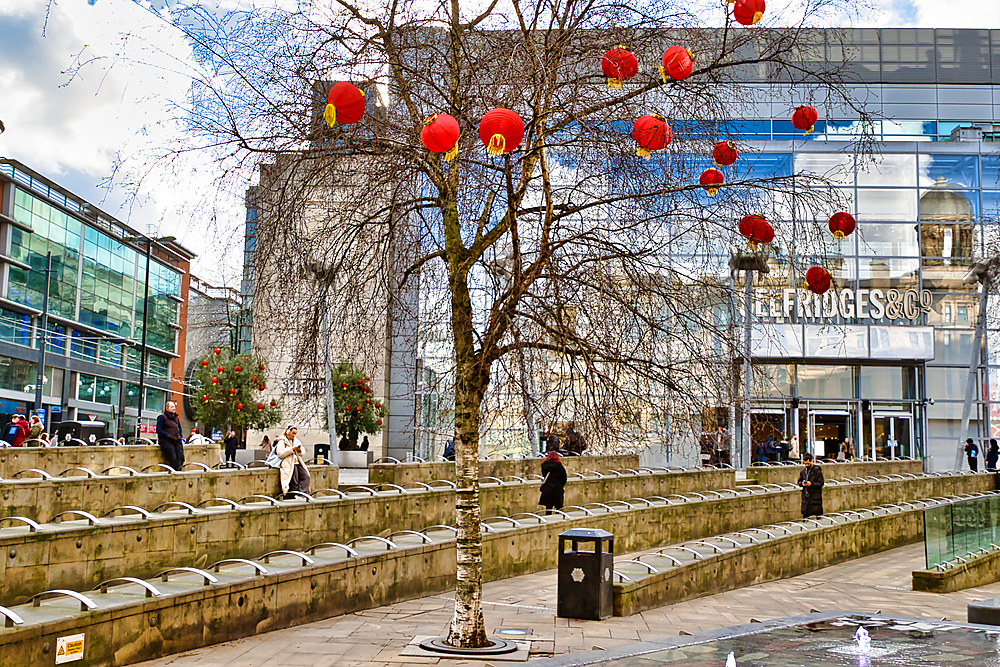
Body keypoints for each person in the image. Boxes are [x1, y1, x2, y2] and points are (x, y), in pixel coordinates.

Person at [275, 425, 309, 495]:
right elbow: (280, 453)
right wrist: (291, 449)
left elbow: (303, 452)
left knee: (306, 476)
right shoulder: (282, 441)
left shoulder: (296, 441)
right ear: (288, 432)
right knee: (294, 480)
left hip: (297, 462)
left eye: (295, 433)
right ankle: (295, 494)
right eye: (293, 433)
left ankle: (302, 493)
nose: (294, 435)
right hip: (289, 463)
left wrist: (299, 450)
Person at [155, 401, 185, 470]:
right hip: (166, 441)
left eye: (174, 407)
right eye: (172, 407)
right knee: (172, 456)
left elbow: (179, 428)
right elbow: (158, 430)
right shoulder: (162, 418)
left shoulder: (176, 418)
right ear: (167, 408)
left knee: (181, 457)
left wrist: (179, 436)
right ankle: (176, 470)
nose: (174, 408)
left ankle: (179, 469)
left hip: (176, 441)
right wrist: (168, 436)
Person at [538, 449, 567, 514]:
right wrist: (561, 485)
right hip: (557, 488)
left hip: (548, 488)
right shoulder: (559, 466)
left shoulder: (544, 465)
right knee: (558, 507)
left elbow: (544, 475)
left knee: (548, 507)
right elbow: (564, 478)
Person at [797, 453, 825, 518]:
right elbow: (799, 481)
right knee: (805, 514)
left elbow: (821, 483)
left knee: (817, 514)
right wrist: (802, 483)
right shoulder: (803, 472)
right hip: (806, 496)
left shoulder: (817, 471)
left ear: (811, 461)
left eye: (808, 463)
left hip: (815, 496)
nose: (806, 465)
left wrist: (811, 484)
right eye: (805, 464)